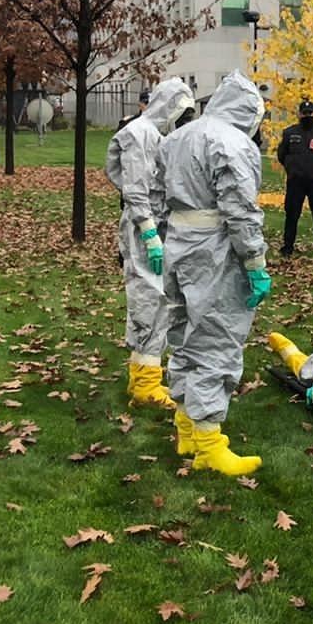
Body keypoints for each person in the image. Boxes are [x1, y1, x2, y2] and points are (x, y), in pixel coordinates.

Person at [157, 70, 272, 476]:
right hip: (216, 250)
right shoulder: (233, 143)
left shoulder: (177, 137)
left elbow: (157, 195)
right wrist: (255, 262)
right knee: (216, 338)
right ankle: (209, 443)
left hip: (179, 245)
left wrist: (160, 240)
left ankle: (187, 425)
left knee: (185, 334)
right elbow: (240, 209)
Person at [104, 76, 194, 406]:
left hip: (156, 225)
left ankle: (147, 374)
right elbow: (135, 188)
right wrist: (149, 231)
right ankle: (143, 383)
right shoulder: (138, 133)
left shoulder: (156, 134)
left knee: (159, 298)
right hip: (145, 229)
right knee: (147, 297)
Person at [277, 98, 313, 256]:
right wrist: (292, 167)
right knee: (292, 214)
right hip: (296, 180)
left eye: (310, 113)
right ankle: (288, 246)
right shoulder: (290, 133)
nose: (307, 116)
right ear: (299, 114)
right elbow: (282, 154)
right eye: (304, 113)